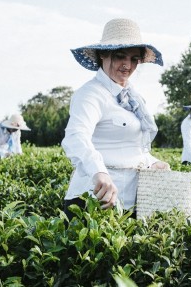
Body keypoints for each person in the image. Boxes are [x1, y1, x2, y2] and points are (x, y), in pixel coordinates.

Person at [61, 18, 170, 216]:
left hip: (129, 202)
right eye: (120, 56)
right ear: (103, 54)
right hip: (93, 199)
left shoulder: (133, 98)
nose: (127, 65)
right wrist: (99, 172)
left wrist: (151, 161)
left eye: (134, 59)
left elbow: (129, 146)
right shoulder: (91, 94)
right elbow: (76, 136)